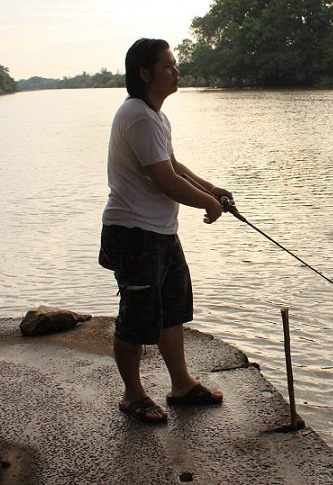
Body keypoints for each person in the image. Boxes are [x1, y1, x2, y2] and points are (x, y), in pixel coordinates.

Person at [100, 38, 231, 423]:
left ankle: (181, 385)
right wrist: (207, 204)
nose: (176, 71)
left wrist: (211, 189)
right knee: (135, 317)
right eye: (168, 66)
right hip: (134, 233)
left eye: (175, 65)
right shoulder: (138, 116)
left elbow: (172, 164)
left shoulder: (155, 115)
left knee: (172, 311)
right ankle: (133, 394)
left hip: (159, 232)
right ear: (145, 73)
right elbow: (163, 180)